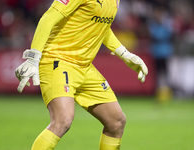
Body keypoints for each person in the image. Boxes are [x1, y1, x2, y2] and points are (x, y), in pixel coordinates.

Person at [15, 0, 148, 149]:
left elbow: (101, 27)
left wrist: (125, 54)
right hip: (58, 60)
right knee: (63, 120)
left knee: (116, 122)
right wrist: (34, 57)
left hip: (84, 67)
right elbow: (49, 17)